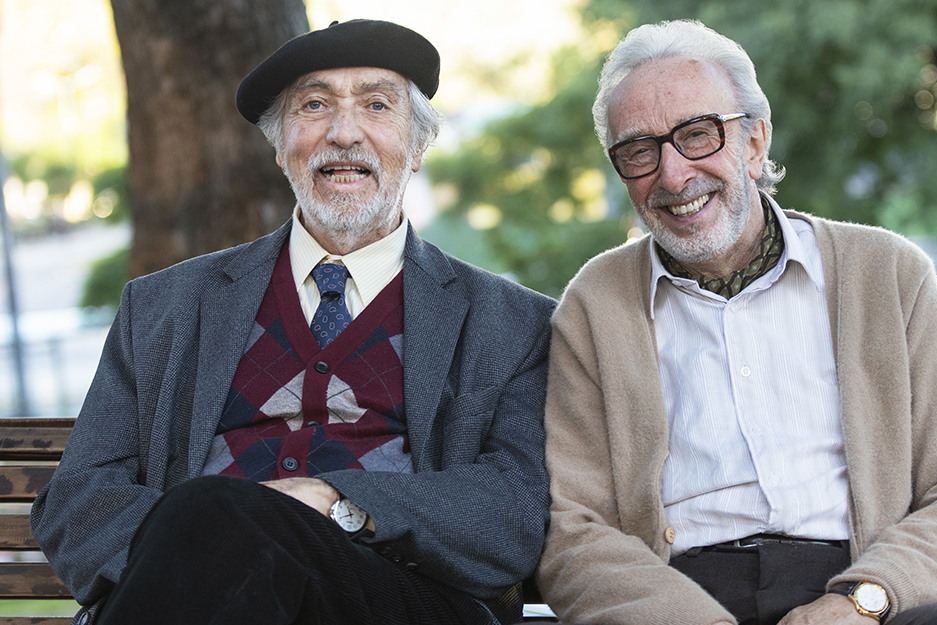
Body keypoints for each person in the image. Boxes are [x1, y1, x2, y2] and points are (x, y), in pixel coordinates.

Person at [31, 19, 555, 625]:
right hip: (193, 595)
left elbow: (512, 513)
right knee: (216, 518)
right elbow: (77, 501)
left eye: (377, 105)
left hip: (395, 599)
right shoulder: (163, 308)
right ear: (281, 149)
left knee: (216, 513)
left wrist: (336, 503)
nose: (343, 132)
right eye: (314, 106)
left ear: (416, 148)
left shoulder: (514, 324)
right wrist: (208, 545)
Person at [537, 19, 937, 625]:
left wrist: (863, 601)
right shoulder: (594, 306)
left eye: (697, 135)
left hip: (874, 593)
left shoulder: (886, 273)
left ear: (754, 142)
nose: (673, 177)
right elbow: (573, 528)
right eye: (638, 152)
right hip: (680, 599)